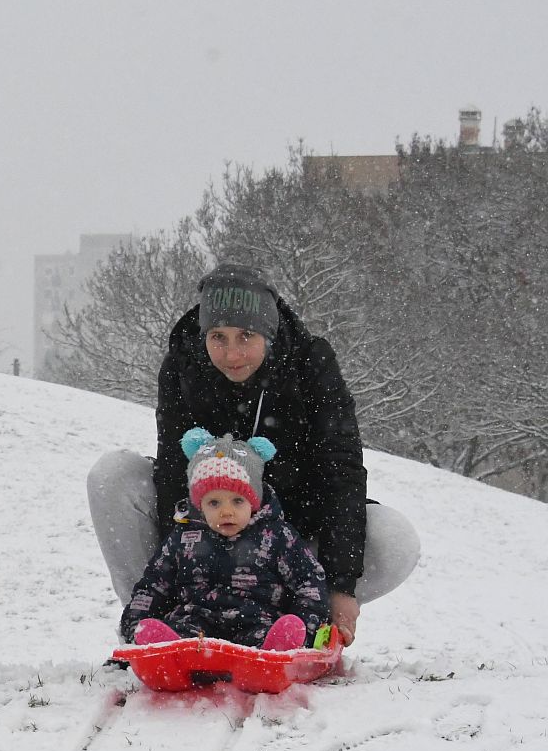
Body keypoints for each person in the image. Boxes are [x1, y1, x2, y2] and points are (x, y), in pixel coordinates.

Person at [88, 264, 420, 646]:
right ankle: (157, 628)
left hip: (287, 549)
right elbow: (174, 471)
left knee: (395, 538)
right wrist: (178, 566)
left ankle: (295, 623)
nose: (232, 354)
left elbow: (341, 472)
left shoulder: (311, 365)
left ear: (269, 333)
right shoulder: (183, 366)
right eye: (218, 337)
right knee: (112, 475)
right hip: (203, 542)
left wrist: (341, 585)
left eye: (246, 336)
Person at [123, 428, 329, 650]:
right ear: (199, 505)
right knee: (180, 637)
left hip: (257, 621)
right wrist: (135, 624)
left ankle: (278, 649)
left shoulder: (277, 536)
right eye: (214, 503)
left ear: (254, 502)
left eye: (237, 501)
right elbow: (154, 584)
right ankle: (165, 649)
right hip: (195, 624)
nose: (226, 512)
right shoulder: (184, 537)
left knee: (268, 638)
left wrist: (306, 627)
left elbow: (309, 582)